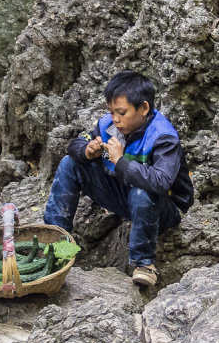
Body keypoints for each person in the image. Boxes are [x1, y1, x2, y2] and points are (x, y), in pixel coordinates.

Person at [44, 69, 194, 286]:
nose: (115, 119)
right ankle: (56, 239)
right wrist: (88, 150)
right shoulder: (108, 125)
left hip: (164, 209)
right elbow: (74, 145)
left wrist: (121, 162)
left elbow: (162, 182)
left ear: (144, 108)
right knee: (71, 163)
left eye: (122, 113)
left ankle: (144, 263)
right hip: (124, 196)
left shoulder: (163, 137)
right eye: (112, 111)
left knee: (143, 191)